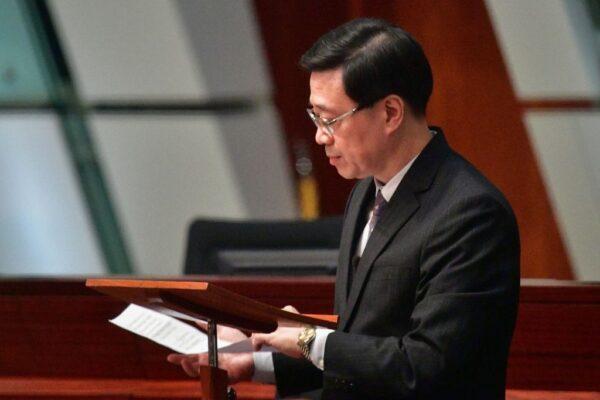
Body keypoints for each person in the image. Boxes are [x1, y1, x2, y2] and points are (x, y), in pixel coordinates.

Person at [168, 18, 520, 399]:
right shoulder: (366, 191)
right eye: (315, 117)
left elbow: (426, 367)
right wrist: (256, 360)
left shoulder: (470, 214)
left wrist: (306, 339)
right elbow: (359, 353)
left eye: (329, 118)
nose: (320, 135)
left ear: (390, 113)